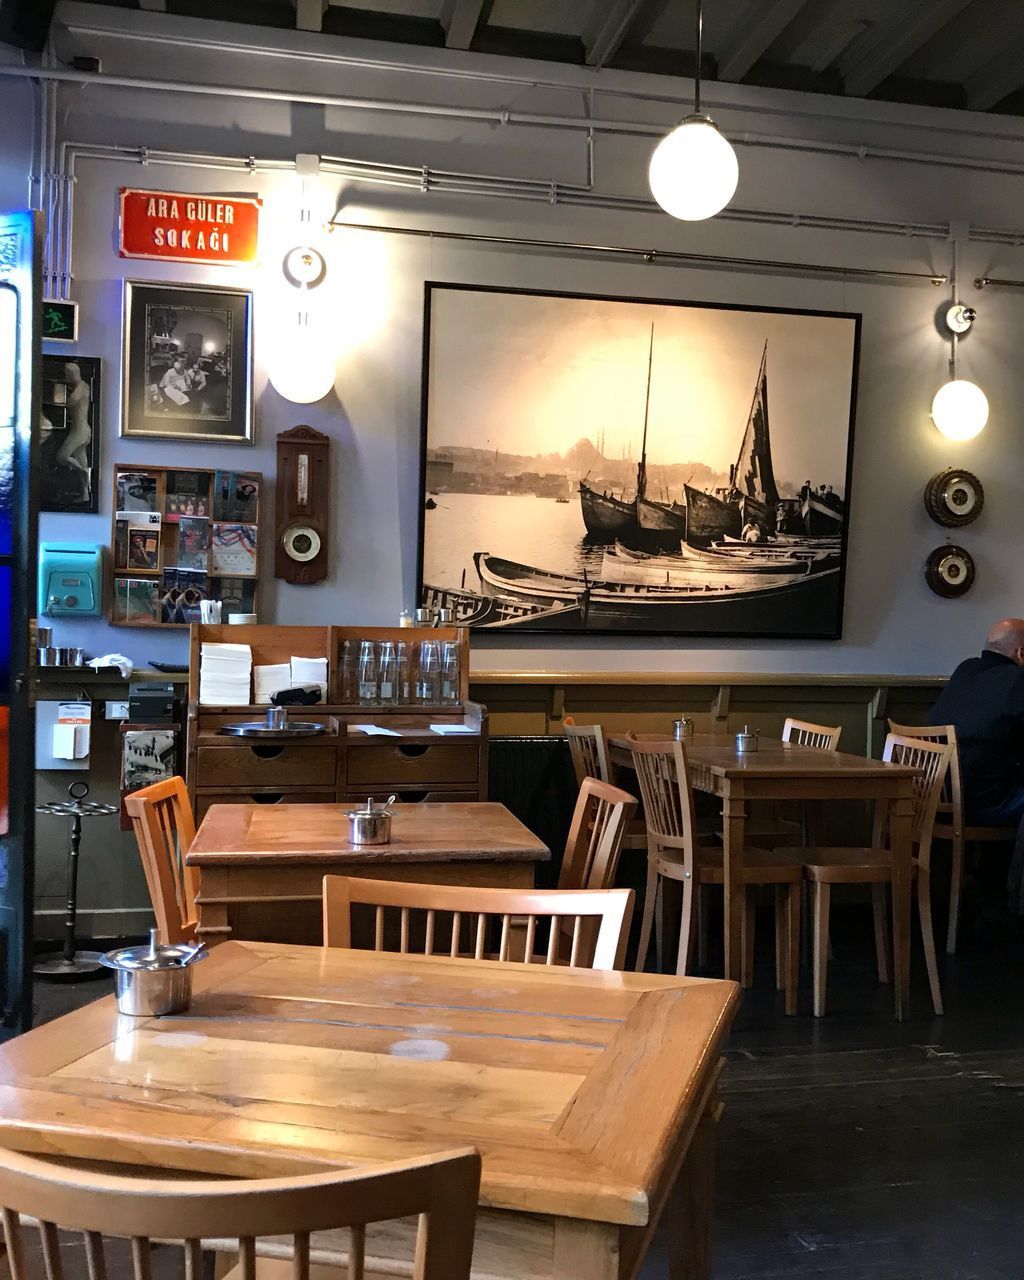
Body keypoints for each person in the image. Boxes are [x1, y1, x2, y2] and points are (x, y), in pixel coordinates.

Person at [930, 619, 1024, 912]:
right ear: (1021, 653)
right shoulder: (1017, 681)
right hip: (982, 802)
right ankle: (1015, 900)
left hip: (941, 796)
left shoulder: (965, 670)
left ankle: (994, 886)